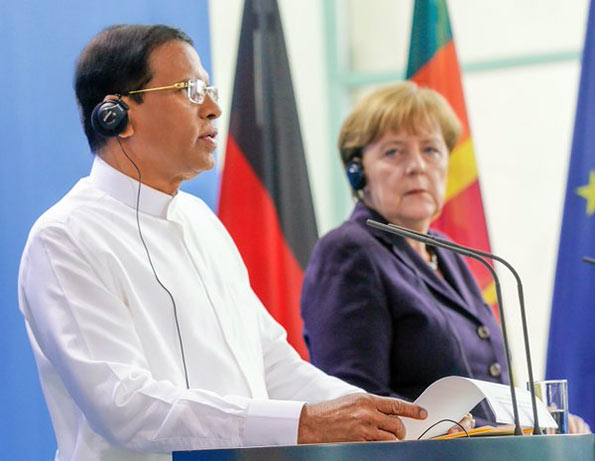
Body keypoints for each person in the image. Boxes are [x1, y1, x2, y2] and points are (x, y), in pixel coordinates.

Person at [17, 25, 428, 461]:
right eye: (190, 90)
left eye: (208, 89)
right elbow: (123, 405)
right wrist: (303, 423)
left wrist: (397, 420)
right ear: (117, 115)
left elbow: (274, 366)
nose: (213, 108)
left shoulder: (201, 222)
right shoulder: (64, 238)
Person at [301, 82, 592, 433]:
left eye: (431, 150)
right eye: (394, 152)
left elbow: (489, 385)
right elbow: (353, 397)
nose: (417, 167)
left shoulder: (447, 252)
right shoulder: (349, 250)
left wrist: (541, 422)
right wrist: (444, 427)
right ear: (357, 171)